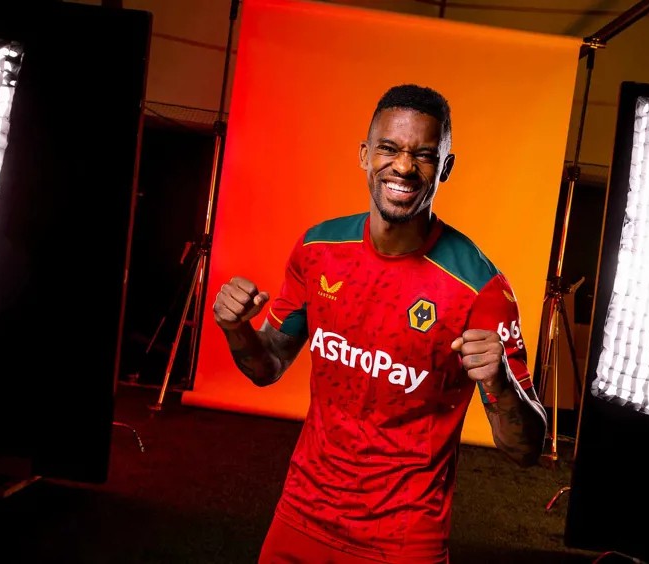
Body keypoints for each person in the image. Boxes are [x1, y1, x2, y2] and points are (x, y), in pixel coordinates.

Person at [213, 84, 547, 563]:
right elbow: (267, 368)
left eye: (424, 155)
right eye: (389, 148)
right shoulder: (318, 249)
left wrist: (501, 383)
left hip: (403, 538)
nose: (404, 167)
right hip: (302, 512)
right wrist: (237, 327)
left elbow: (525, 449)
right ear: (365, 154)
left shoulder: (481, 289)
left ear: (445, 168)